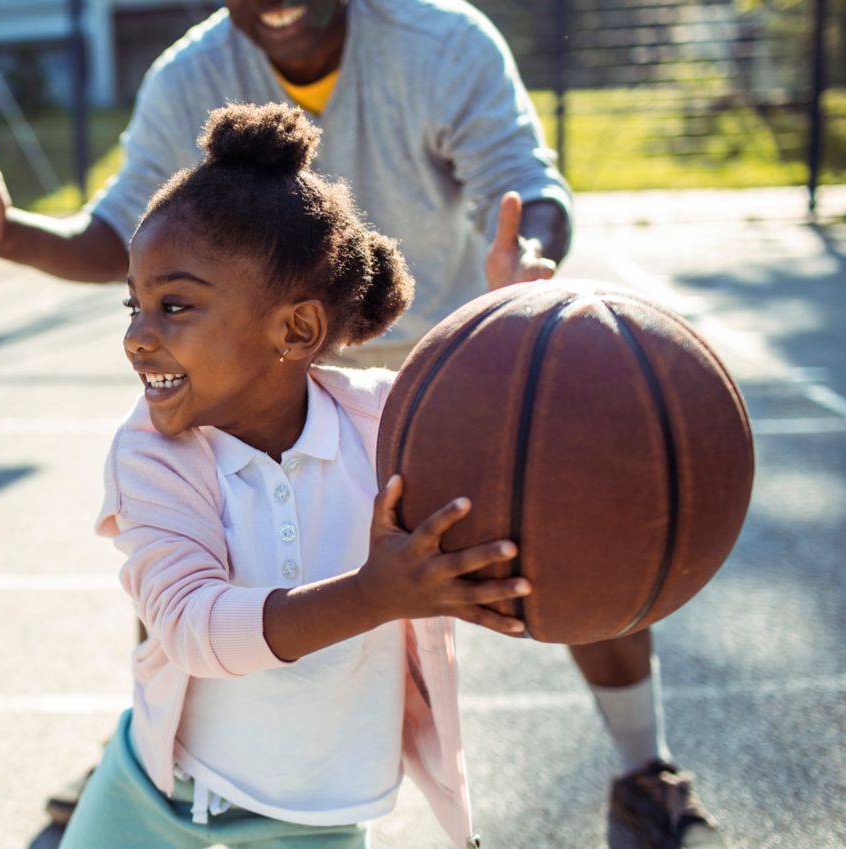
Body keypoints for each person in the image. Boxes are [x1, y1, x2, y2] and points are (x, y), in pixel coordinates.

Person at [0, 3, 723, 846]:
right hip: (235, 359)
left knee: (564, 517)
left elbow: (523, 184)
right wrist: (7, 233)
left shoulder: (441, 40)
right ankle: (166, 745)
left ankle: (642, 768)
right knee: (192, 555)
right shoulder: (190, 73)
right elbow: (117, 231)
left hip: (440, 363)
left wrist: (525, 267)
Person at [71, 100, 530, 849]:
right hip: (162, 790)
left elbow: (503, 431)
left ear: (297, 330)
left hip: (317, 816)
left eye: (173, 305)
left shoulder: (385, 426)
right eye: (135, 305)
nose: (136, 337)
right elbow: (189, 627)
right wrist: (373, 595)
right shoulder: (151, 455)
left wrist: (519, 318)